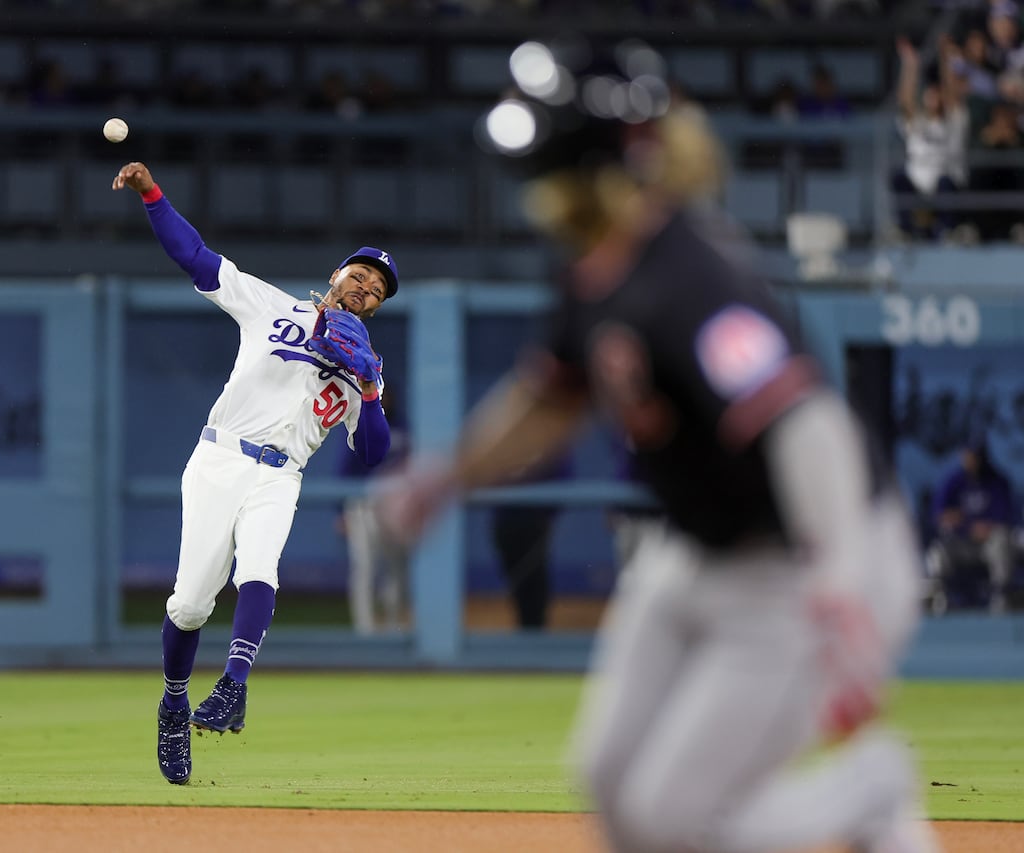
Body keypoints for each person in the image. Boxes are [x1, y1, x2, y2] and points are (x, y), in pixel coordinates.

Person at [376, 38, 936, 852]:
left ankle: (868, 792)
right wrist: (447, 478)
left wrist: (840, 574)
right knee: (611, 781)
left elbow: (805, 421)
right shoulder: (590, 273)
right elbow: (545, 401)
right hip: (701, 550)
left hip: (803, 557)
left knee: (675, 815)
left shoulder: (689, 275)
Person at [111, 161, 398, 787]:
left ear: (376, 307)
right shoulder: (273, 307)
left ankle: (234, 686)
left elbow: (374, 453)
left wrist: (372, 389)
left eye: (377, 288)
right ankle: (172, 702)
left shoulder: (365, 370)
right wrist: (153, 194)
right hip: (220, 459)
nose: (365, 287)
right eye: (359, 274)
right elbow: (196, 257)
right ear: (336, 275)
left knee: (261, 568)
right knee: (189, 606)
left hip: (281, 475)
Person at [338, 384, 410, 635]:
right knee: (365, 568)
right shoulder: (361, 424)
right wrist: (340, 513)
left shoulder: (404, 427)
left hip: (396, 505)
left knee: (396, 568)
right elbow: (345, 473)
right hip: (363, 505)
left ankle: (393, 626)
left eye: (387, 395)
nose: (385, 400)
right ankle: (365, 630)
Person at [892, 35, 969, 242]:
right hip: (917, 180)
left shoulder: (953, 122)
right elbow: (906, 100)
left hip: (944, 180)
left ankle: (946, 229)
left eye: (938, 94)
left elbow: (952, 93)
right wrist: (911, 65)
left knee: (946, 184)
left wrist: (945, 59)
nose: (935, 98)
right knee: (898, 178)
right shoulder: (917, 123)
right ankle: (906, 229)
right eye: (931, 94)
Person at [927, 441, 1017, 614]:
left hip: (989, 544)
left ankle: (1001, 595)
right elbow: (939, 514)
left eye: (974, 456)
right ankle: (941, 595)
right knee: (938, 551)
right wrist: (967, 525)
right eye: (967, 455)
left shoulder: (997, 482)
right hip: (962, 541)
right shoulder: (954, 481)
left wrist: (978, 525)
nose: (970, 460)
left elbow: (1005, 517)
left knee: (1002, 542)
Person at [489, 452, 572, 630]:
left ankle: (535, 632)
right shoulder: (505, 440)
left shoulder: (549, 442)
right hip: (505, 520)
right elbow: (487, 472)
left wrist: (548, 512)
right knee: (515, 578)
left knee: (534, 579)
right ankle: (526, 630)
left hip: (535, 520)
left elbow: (564, 474)